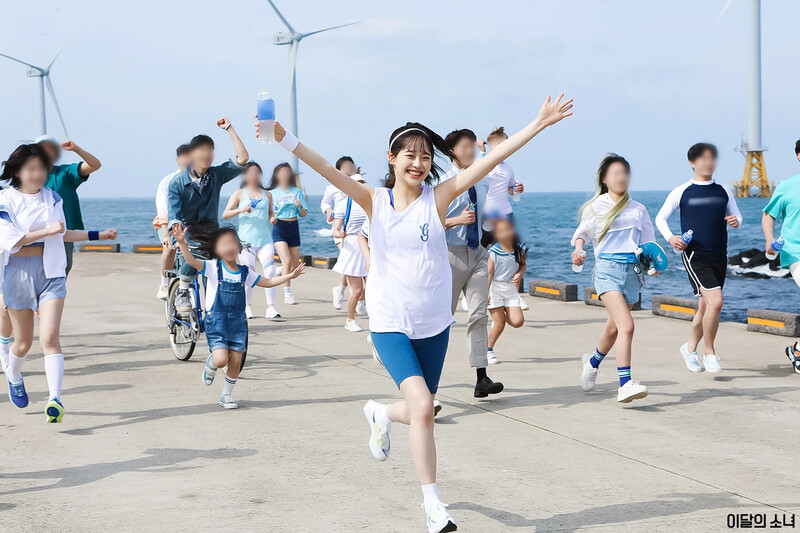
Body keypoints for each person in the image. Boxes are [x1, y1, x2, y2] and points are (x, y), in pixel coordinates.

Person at [256, 92, 572, 532]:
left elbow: (492, 158)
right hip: (389, 323)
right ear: (392, 158)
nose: (419, 163)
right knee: (425, 407)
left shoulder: (438, 198)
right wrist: (282, 136)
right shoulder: (374, 200)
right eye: (410, 154)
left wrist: (537, 124)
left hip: (433, 324)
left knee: (418, 410)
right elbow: (325, 167)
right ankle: (433, 503)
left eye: (425, 156)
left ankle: (380, 414)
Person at [0, 143, 117, 422]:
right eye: (31, 169)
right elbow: (10, 240)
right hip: (18, 272)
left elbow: (62, 233)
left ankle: (55, 399)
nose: (37, 174)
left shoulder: (52, 197)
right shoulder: (5, 200)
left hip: (51, 272)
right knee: (24, 344)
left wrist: (98, 235)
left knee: (51, 338)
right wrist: (46, 230)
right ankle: (13, 374)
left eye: (41, 168)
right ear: (17, 171)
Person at [172, 223, 304, 409]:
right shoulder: (212, 267)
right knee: (221, 360)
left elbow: (267, 282)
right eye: (224, 244)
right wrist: (182, 244)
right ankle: (212, 362)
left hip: (238, 322)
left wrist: (290, 275)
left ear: (240, 247)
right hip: (216, 321)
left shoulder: (245, 272)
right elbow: (192, 262)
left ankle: (226, 395)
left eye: (233, 243)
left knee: (236, 361)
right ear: (216, 249)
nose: (229, 247)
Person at [572, 154, 654, 403]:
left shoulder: (639, 209)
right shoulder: (595, 207)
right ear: (605, 179)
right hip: (606, 270)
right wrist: (578, 250)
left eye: (624, 173)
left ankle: (592, 362)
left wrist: (654, 264)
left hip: (633, 273)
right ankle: (625, 383)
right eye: (616, 173)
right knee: (627, 325)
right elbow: (582, 234)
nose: (621, 178)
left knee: (614, 327)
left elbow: (648, 243)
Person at [655, 143, 742, 373]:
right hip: (695, 255)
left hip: (719, 255)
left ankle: (689, 348)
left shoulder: (723, 189)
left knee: (705, 309)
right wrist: (671, 238)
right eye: (703, 158)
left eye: (712, 158)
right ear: (692, 162)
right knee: (717, 302)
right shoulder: (682, 191)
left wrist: (735, 221)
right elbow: (660, 219)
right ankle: (709, 352)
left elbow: (737, 215)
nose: (708, 162)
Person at [442, 128, 504, 399]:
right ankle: (426, 381)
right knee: (441, 320)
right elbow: (429, 222)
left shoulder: (481, 180)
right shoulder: (442, 183)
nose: (470, 151)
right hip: (449, 255)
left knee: (479, 314)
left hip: (477, 253)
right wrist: (457, 221)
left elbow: (485, 215)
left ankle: (482, 378)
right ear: (451, 151)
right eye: (464, 146)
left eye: (472, 146)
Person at [167, 118, 249, 315]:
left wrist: (229, 128)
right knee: (190, 247)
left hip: (211, 231)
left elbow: (243, 158)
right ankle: (183, 289)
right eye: (201, 150)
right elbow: (173, 215)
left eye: (210, 150)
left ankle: (214, 309)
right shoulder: (177, 183)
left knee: (216, 272)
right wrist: (177, 234)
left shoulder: (216, 175)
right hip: (186, 230)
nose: (207, 154)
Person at [36, 136, 103, 275]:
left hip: (63, 235)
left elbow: (94, 165)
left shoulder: (65, 173)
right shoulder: (26, 175)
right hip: (35, 234)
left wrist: (76, 149)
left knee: (60, 273)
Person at [222, 161, 281, 320]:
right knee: (250, 274)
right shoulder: (240, 194)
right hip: (245, 242)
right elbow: (225, 214)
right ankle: (247, 306)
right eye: (251, 172)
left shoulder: (267, 194)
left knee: (270, 271)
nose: (254, 175)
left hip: (265, 240)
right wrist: (241, 209)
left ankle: (270, 307)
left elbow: (270, 213)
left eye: (257, 172)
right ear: (245, 175)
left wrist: (273, 218)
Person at [762, 139, 800, 373]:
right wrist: (769, 239)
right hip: (795, 252)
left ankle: (797, 349)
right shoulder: (787, 186)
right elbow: (769, 215)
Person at [486, 218, 527, 365]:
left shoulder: (519, 249)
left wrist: (519, 275)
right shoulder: (493, 252)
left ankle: (503, 312)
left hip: (510, 290)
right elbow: (489, 274)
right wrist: (487, 293)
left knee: (518, 322)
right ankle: (488, 350)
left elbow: (522, 265)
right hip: (495, 288)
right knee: (499, 324)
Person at [333, 173, 369, 332]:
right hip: (352, 248)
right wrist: (338, 233)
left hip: (368, 246)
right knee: (357, 290)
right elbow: (336, 229)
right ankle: (350, 319)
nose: (360, 185)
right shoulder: (343, 204)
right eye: (357, 183)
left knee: (374, 286)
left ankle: (367, 307)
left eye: (362, 183)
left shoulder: (369, 201)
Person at [154, 144, 191, 299]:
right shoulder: (167, 181)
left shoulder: (198, 180)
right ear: (178, 159)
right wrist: (166, 235)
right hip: (167, 224)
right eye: (185, 156)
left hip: (188, 225)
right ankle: (164, 283)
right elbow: (163, 209)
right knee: (169, 249)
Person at [268, 162, 307, 305]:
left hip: (294, 226)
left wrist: (299, 206)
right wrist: (271, 218)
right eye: (281, 172)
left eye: (287, 172)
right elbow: (268, 213)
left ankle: (280, 271)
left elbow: (304, 214)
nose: (284, 175)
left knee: (294, 265)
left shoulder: (297, 191)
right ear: (276, 175)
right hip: (279, 227)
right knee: (288, 261)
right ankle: (287, 294)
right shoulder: (272, 193)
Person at [322, 156, 356, 310]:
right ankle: (357, 296)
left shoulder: (358, 184)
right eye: (346, 166)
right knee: (350, 261)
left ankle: (342, 290)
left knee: (353, 263)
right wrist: (328, 211)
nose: (349, 169)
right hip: (340, 231)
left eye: (351, 166)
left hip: (358, 232)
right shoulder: (333, 187)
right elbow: (325, 202)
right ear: (339, 170)